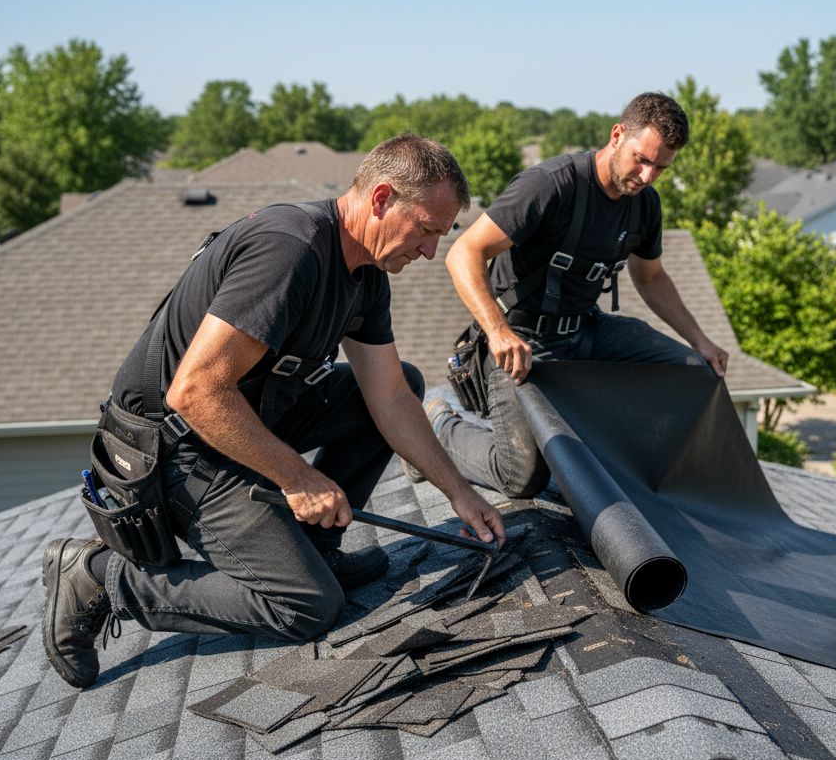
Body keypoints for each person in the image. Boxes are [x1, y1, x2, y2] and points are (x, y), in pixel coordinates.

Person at [43, 134, 506, 689]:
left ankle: (311, 548)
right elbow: (194, 393)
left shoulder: (365, 276)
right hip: (169, 449)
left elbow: (389, 398)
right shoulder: (291, 249)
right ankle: (99, 578)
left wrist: (459, 491)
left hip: (237, 420)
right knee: (306, 606)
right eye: (427, 230)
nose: (431, 250)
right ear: (381, 197)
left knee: (399, 381)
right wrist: (297, 476)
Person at [420, 93, 728, 498]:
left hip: (586, 328)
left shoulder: (644, 206)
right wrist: (497, 331)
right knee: (522, 476)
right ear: (617, 135)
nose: (648, 175)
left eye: (660, 168)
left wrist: (701, 340)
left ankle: (636, 474)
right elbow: (464, 253)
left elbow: (650, 279)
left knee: (690, 370)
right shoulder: (552, 186)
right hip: (522, 338)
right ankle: (439, 426)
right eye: (642, 159)